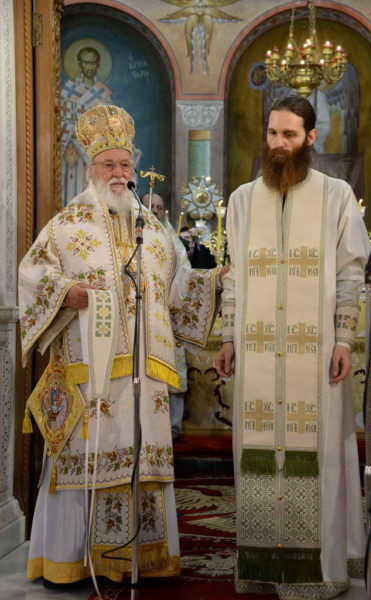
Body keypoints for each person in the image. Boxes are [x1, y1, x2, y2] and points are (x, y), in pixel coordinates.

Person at [19, 104, 224, 586]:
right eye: (108, 164)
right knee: (85, 460)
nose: (118, 173)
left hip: (145, 379)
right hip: (88, 375)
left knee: (140, 460)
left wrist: (219, 281)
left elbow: (180, 291)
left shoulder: (154, 233)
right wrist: (65, 293)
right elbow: (32, 274)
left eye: (125, 164)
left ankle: (142, 559)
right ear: (91, 169)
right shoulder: (66, 224)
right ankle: (71, 562)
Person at [215, 96, 370, 599]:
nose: (279, 144)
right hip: (258, 355)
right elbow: (234, 276)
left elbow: (351, 273)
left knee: (319, 455)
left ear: (310, 137)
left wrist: (343, 338)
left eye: (289, 134)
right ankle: (264, 569)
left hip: (316, 355)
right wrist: (229, 336)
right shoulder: (242, 200)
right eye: (272, 133)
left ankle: (318, 574)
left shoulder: (336, 195)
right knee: (257, 455)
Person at [147, 192, 189, 440]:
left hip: (169, 316)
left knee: (174, 368)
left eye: (159, 207)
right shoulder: (131, 237)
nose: (155, 210)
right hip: (143, 317)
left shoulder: (175, 243)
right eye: (150, 206)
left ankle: (173, 425)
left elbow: (185, 273)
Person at [61, 46, 113, 205]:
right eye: (86, 63)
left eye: (92, 63)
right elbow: (60, 121)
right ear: (79, 64)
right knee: (69, 190)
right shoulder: (68, 90)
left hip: (93, 153)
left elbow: (109, 126)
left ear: (98, 65)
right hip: (71, 151)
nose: (89, 67)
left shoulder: (103, 94)